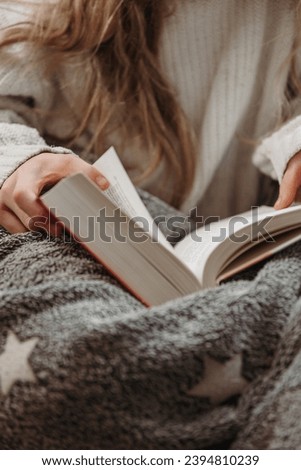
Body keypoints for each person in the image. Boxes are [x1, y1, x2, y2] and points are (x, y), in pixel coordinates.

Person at [0, 0, 301, 235]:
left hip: (239, 243)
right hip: (92, 240)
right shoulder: (49, 14)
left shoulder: (283, 14)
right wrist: (21, 158)